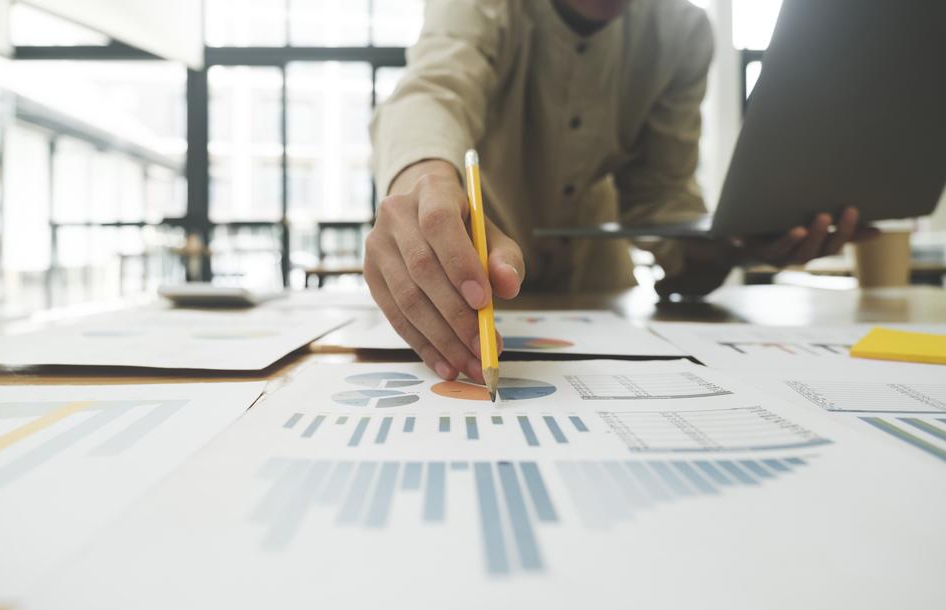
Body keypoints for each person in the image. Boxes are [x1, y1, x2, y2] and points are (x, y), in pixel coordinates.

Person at [365, 0, 871, 384]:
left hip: (605, 295)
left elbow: (661, 195)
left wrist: (727, 250)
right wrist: (422, 180)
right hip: (469, 281)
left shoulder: (684, 32)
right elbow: (434, 90)